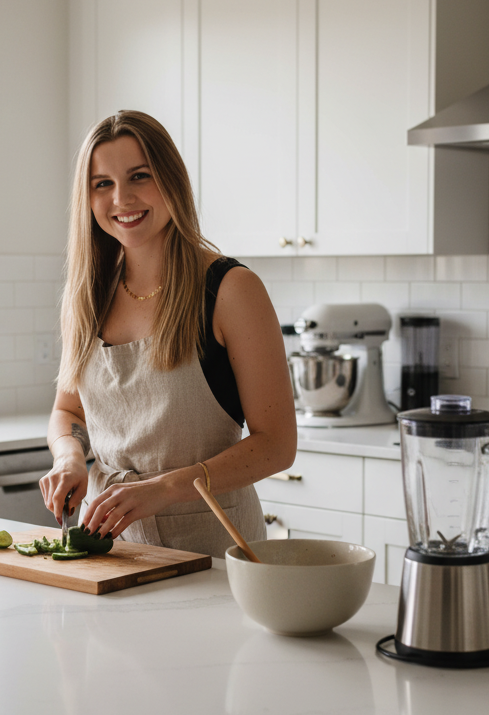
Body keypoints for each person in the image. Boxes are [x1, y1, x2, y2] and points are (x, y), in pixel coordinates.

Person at [40, 110, 297, 558]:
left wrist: (166, 488)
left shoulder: (230, 291)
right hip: (108, 548)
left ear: (171, 180)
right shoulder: (84, 297)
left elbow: (277, 445)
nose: (122, 198)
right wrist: (69, 458)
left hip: (213, 549)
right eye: (102, 183)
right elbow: (68, 411)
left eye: (139, 176)